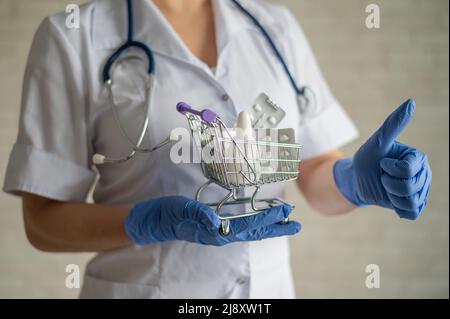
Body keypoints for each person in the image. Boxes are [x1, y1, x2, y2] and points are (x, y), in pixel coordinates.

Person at [2, 0, 431, 298]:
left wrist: (353, 179)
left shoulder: (275, 28)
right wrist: (147, 223)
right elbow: (43, 223)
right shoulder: (74, 37)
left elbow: (314, 170)